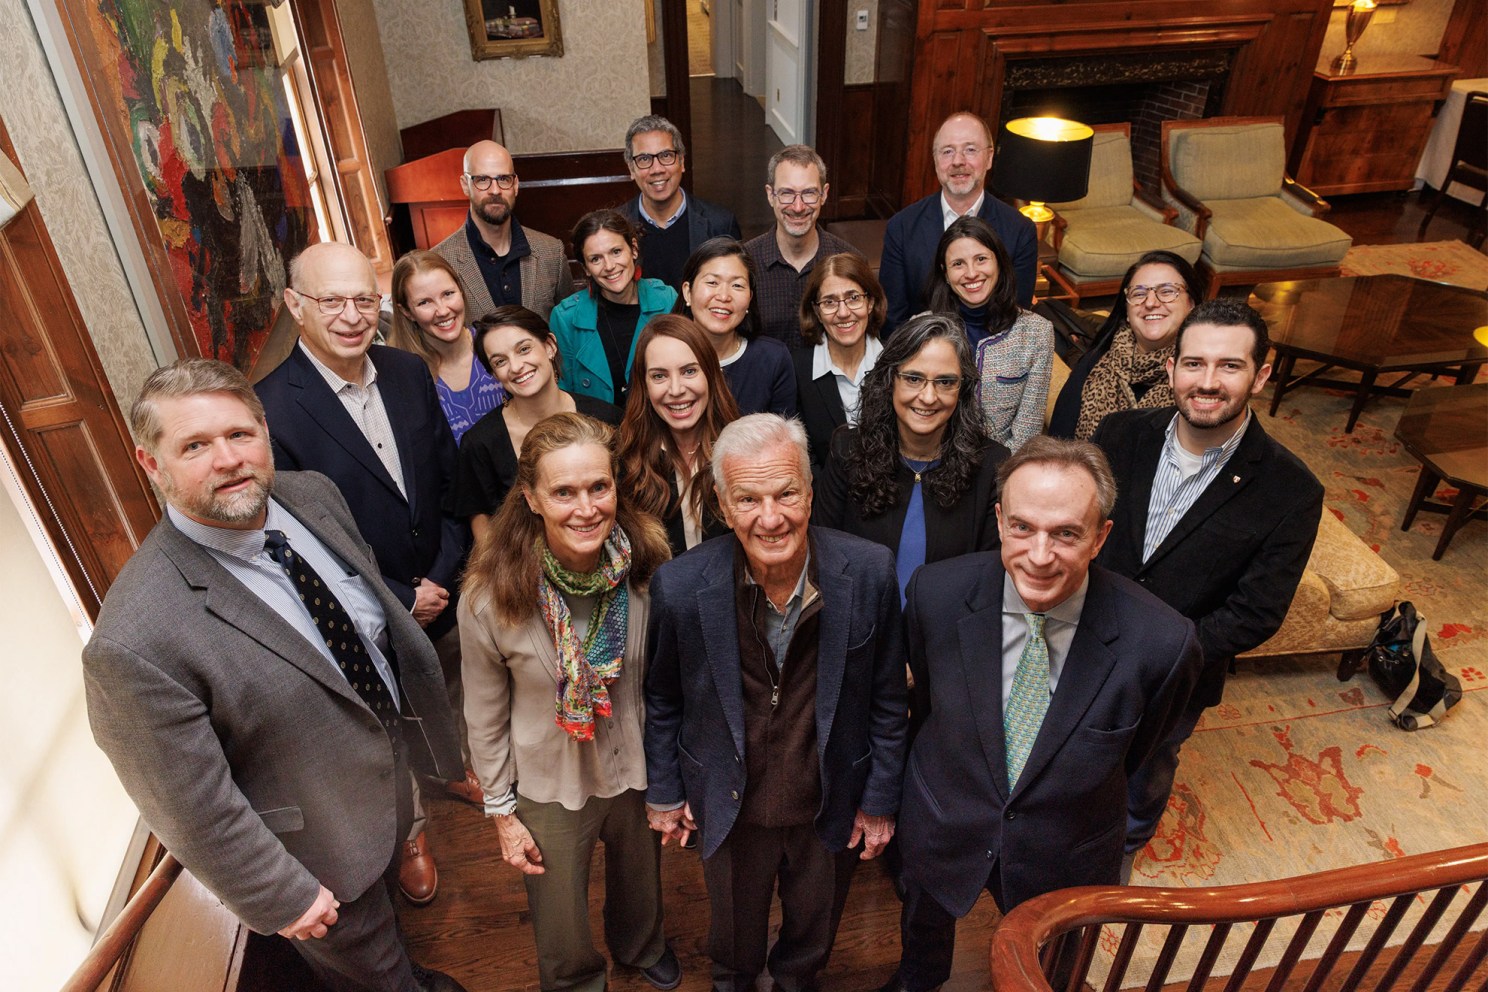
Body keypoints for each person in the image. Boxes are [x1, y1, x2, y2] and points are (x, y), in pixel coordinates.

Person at [84, 358, 467, 992]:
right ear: (152, 464)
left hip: (390, 780)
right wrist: (280, 894)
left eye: (240, 434)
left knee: (396, 939)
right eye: (196, 446)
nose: (229, 459)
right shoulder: (133, 640)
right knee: (376, 977)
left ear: (264, 430)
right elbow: (188, 805)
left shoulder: (312, 493)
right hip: (315, 850)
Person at [878, 436, 1202, 992]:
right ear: (1000, 521)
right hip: (943, 818)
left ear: (1100, 536)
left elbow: (1142, 753)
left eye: (1067, 533)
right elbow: (927, 705)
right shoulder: (936, 593)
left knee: (1049, 965)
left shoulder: (1161, 642)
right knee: (923, 926)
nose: (1040, 554)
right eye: (1023, 527)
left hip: (1065, 847)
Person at [644, 414, 908, 992]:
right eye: (748, 498)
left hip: (828, 803)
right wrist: (664, 792)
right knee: (734, 943)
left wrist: (880, 801)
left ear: (810, 493)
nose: (771, 517)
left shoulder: (868, 573)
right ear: (721, 503)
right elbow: (662, 700)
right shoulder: (681, 587)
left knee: (811, 938)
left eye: (787, 493)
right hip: (731, 809)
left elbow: (889, 700)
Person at [256, 242, 471, 906]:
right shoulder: (272, 409)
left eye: (363, 299)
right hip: (357, 610)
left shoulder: (408, 372)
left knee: (447, 686)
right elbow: (297, 542)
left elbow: (447, 483)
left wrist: (440, 572)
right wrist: (401, 597)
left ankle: (453, 765)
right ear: (295, 305)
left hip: (441, 582)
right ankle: (410, 832)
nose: (352, 316)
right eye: (331, 301)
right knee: (380, 720)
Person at [1091, 299, 1324, 870]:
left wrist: (1159, 655)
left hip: (1178, 678)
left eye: (1230, 366)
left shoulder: (1291, 490)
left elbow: (1255, 613)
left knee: (1144, 774)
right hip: (1081, 642)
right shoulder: (1118, 434)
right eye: (1194, 363)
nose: (1208, 382)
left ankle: (1116, 863)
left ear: (1261, 376)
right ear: (1171, 368)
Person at [459, 412, 682, 992]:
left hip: (637, 766)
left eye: (598, 487)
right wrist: (502, 812)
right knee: (558, 909)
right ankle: (577, 980)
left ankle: (642, 945)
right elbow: (484, 714)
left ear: (616, 487)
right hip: (547, 780)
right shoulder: (491, 596)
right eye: (563, 492)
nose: (585, 508)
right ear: (531, 498)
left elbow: (675, 683)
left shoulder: (651, 572)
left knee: (642, 880)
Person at [812, 312, 1007, 603]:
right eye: (914, 378)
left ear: (962, 389)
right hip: (862, 624)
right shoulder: (848, 450)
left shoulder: (992, 464)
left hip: (946, 633)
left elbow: (988, 578)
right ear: (890, 380)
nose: (929, 397)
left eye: (945, 382)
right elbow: (822, 554)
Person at [454, 306, 622, 545]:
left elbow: (629, 506)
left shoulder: (606, 418)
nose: (516, 366)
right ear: (493, 373)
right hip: (524, 574)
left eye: (524, 349)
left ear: (550, 346)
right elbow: (485, 535)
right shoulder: (481, 443)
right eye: (500, 361)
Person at [880, 111, 1038, 336]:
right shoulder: (902, 228)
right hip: (922, 359)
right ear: (935, 160)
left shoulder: (1020, 231)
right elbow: (893, 321)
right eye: (947, 151)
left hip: (994, 361)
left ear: (990, 157)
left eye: (970, 150)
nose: (958, 161)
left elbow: (1016, 321)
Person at [926, 216, 1053, 452]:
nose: (971, 273)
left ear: (999, 263)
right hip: (932, 461)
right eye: (958, 264)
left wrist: (996, 479)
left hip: (1000, 469)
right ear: (945, 273)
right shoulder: (922, 330)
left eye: (981, 259)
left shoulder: (1036, 333)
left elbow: (1027, 431)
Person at [1047, 249, 1203, 440]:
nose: (1151, 302)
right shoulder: (1096, 362)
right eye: (1139, 293)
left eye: (1167, 291)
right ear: (1127, 312)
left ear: (1192, 304)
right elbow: (1058, 441)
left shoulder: (1205, 375)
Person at [617, 314, 740, 556]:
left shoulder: (742, 451)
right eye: (659, 376)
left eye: (689, 371)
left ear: (711, 375)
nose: (676, 390)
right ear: (644, 386)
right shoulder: (625, 461)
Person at [433, 139, 573, 320]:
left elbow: (571, 329)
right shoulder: (440, 262)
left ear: (515, 185)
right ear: (464, 185)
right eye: (482, 180)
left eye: (503, 179)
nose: (495, 190)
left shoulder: (552, 253)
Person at [551, 209, 678, 406]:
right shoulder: (566, 317)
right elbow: (562, 395)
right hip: (595, 431)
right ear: (586, 268)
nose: (609, 266)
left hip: (660, 428)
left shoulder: (666, 299)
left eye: (616, 252)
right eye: (596, 259)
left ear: (633, 249)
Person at [743, 144, 863, 345]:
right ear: (770, 195)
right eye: (787, 193)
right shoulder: (745, 263)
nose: (798, 207)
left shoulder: (850, 260)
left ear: (824, 194)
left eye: (808, 193)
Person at [388, 249, 505, 444]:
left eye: (448, 294)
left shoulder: (496, 347)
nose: (442, 311)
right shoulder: (403, 376)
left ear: (460, 289)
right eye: (424, 302)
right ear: (407, 311)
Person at [618, 114, 741, 294]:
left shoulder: (720, 223)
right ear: (631, 168)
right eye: (644, 159)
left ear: (682, 162)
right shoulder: (616, 227)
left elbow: (736, 289)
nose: (657, 169)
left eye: (666, 156)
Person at [677, 237, 797, 417]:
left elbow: (783, 437)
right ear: (688, 291)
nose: (724, 296)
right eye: (712, 282)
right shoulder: (659, 353)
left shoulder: (773, 359)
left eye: (737, 285)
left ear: (750, 297)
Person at [793, 252, 887, 468]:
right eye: (829, 302)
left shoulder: (899, 363)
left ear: (870, 302)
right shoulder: (797, 370)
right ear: (817, 311)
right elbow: (803, 459)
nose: (843, 312)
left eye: (853, 298)